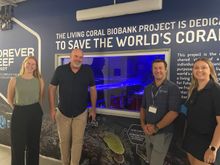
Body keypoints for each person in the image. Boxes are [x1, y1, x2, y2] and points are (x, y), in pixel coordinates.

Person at [48, 48, 97, 165]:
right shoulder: (60, 70)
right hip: (62, 113)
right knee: (64, 142)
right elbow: (51, 88)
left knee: (77, 142)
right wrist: (52, 108)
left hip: (81, 113)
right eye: (76, 56)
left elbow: (93, 89)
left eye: (80, 57)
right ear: (70, 57)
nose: (78, 59)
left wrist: (93, 109)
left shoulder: (87, 71)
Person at [140, 59, 181, 165]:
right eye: (155, 68)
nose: (158, 71)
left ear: (166, 70)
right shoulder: (148, 88)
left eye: (160, 68)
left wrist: (156, 127)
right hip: (148, 131)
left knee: (155, 163)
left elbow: (174, 112)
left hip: (162, 133)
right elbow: (143, 108)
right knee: (150, 160)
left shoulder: (173, 88)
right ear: (152, 70)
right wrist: (143, 125)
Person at [7, 56, 44, 165]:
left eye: (33, 64)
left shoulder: (40, 81)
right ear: (24, 64)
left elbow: (40, 99)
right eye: (28, 63)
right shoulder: (14, 80)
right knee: (17, 145)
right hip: (19, 112)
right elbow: (9, 99)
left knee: (33, 144)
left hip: (35, 112)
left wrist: (36, 111)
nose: (30, 66)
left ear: (36, 67)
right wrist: (19, 110)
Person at [183, 58, 220, 165]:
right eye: (196, 68)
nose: (199, 70)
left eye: (204, 67)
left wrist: (213, 148)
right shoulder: (194, 89)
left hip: (207, 143)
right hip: (191, 140)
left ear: (210, 70)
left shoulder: (216, 91)